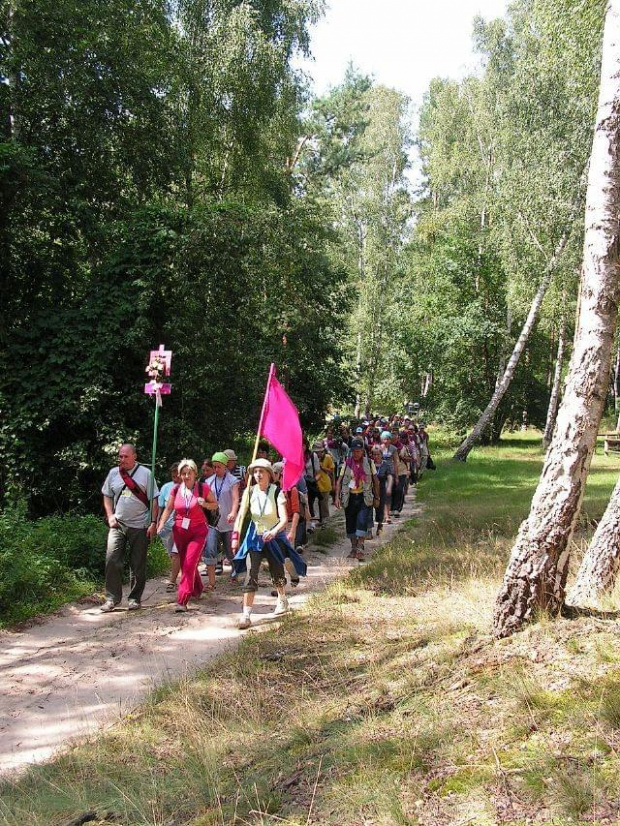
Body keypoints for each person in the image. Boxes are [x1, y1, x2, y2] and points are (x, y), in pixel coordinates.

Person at [233, 459, 306, 629]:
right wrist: (236, 536)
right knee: (251, 573)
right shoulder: (249, 492)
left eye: (261, 471)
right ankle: (246, 614)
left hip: (274, 537)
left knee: (277, 571)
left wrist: (273, 532)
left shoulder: (277, 492)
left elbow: (284, 519)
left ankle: (282, 599)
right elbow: (241, 515)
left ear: (269, 474)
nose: (258, 475)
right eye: (255, 472)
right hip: (254, 537)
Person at [101, 443, 159, 612]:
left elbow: (154, 499)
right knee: (112, 559)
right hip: (118, 524)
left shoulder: (146, 474)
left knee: (138, 563)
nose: (123, 459)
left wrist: (153, 522)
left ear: (135, 456)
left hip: (140, 525)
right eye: (120, 456)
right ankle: (112, 598)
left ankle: (134, 598)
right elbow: (107, 496)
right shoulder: (113, 473)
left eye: (126, 456)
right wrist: (110, 515)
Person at [157, 459, 218, 612]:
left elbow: (215, 504)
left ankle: (182, 600)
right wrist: (161, 523)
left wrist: (204, 504)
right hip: (179, 531)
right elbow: (168, 508)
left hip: (198, 531)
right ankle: (197, 589)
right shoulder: (176, 490)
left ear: (195, 474)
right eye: (183, 473)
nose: (186, 476)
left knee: (189, 564)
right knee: (185, 563)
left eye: (189, 473)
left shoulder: (203, 488)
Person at [334, 437, 378, 561]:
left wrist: (377, 497)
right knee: (351, 522)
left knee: (362, 521)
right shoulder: (347, 464)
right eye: (354, 451)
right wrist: (337, 497)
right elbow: (339, 481)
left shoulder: (369, 463)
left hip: (364, 497)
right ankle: (353, 547)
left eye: (359, 451)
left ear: (363, 451)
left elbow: (376, 480)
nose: (356, 453)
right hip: (350, 497)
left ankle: (360, 548)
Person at [206, 451, 240, 578]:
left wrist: (233, 512)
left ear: (225, 466)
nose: (216, 469)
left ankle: (235, 571)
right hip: (213, 521)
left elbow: (236, 499)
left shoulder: (232, 480)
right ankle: (211, 576)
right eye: (214, 466)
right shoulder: (209, 481)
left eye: (218, 466)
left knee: (230, 549)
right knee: (211, 547)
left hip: (228, 519)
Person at [157, 463, 181, 592]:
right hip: (167, 528)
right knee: (172, 555)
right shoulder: (166, 487)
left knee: (175, 553)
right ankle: (178, 573)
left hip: (181, 526)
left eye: (177, 476)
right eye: (173, 476)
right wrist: (158, 522)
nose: (175, 479)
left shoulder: (189, 488)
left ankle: (172, 581)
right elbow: (162, 507)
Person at [314, 441, 334, 524]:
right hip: (316, 485)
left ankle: (326, 521)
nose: (317, 453)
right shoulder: (313, 458)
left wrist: (322, 467)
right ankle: (320, 520)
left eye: (318, 452)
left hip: (325, 484)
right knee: (318, 504)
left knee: (324, 505)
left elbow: (331, 470)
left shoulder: (327, 457)